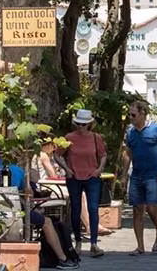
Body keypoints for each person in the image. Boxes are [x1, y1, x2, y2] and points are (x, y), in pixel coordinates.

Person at [120, 100, 157, 255]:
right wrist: (123, 175)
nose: (131, 117)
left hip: (153, 175)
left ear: (142, 113)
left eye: (133, 114)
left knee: (151, 207)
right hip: (136, 175)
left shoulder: (156, 130)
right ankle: (140, 246)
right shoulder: (131, 133)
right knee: (137, 209)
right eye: (129, 114)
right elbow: (128, 153)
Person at [8, 163, 79, 269]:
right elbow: (29, 194)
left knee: (38, 214)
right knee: (47, 222)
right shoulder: (17, 170)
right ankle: (62, 259)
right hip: (16, 211)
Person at [61, 109, 107, 258]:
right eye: (79, 124)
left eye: (84, 124)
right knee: (75, 209)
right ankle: (78, 242)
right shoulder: (69, 137)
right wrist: (67, 169)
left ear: (89, 124)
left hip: (92, 177)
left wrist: (99, 169)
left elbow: (103, 155)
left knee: (93, 209)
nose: (81, 127)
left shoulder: (96, 138)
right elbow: (57, 155)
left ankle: (94, 243)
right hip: (74, 177)